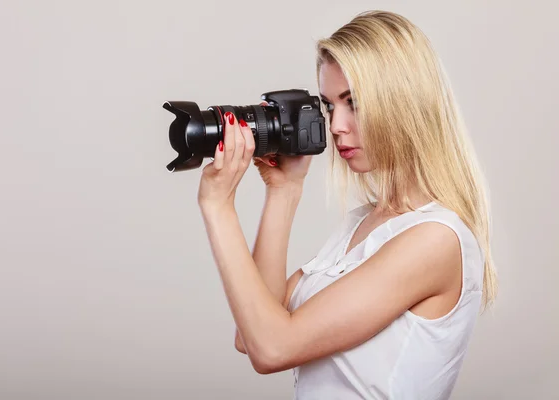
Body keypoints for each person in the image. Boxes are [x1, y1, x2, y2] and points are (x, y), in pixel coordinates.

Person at [196, 9, 497, 400]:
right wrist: (284, 192)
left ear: (404, 102)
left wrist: (218, 208)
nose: (336, 125)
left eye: (353, 102)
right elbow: (251, 333)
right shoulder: (363, 223)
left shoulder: (436, 238)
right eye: (328, 105)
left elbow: (272, 348)